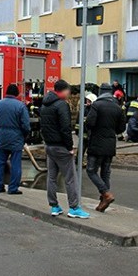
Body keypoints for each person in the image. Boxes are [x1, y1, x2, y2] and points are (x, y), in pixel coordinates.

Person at [40, 79, 90, 219]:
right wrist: (69, 147)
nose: (69, 94)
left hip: (49, 145)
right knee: (70, 178)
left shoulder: (45, 105)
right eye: (68, 91)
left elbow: (43, 126)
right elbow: (65, 128)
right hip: (61, 147)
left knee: (51, 177)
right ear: (62, 90)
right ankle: (74, 208)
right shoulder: (61, 105)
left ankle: (54, 206)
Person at [85, 83, 126, 212]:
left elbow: (90, 123)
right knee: (105, 173)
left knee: (91, 170)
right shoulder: (118, 107)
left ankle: (106, 194)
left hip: (97, 143)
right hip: (110, 145)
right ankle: (103, 202)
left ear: (100, 92)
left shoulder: (96, 105)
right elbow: (121, 128)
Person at [0, 83, 30, 194]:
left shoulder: (0, 104)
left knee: (0, 163)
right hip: (16, 137)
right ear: (17, 93)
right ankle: (13, 188)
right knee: (15, 163)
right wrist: (25, 135)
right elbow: (26, 125)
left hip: (2, 136)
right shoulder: (20, 106)